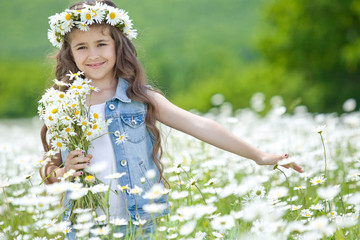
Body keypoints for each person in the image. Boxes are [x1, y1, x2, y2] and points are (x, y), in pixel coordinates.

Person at [40, 0, 303, 239]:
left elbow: (199, 125)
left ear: (118, 45)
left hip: (137, 223)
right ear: (70, 53)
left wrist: (259, 155)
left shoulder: (140, 98)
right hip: (84, 227)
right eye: (82, 47)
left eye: (101, 44)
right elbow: (47, 170)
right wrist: (64, 172)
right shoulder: (63, 105)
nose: (93, 55)